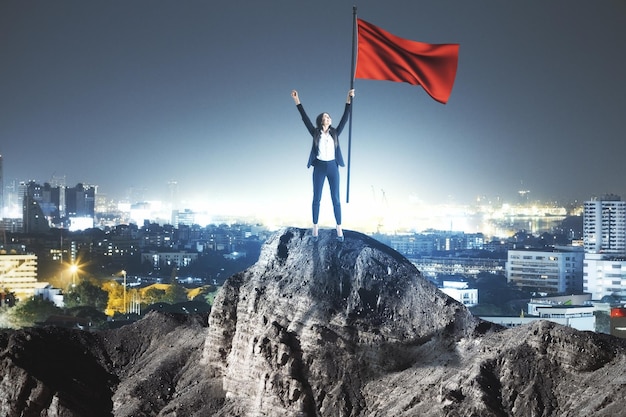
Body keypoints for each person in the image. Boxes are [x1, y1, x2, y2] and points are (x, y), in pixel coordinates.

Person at [291, 88, 355, 242]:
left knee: (336, 198)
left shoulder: (335, 133)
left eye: (329, 117)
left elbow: (345, 118)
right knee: (316, 197)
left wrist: (348, 98)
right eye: (326, 117)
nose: (329, 118)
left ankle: (339, 227)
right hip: (319, 167)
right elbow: (304, 118)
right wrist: (297, 100)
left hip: (333, 167)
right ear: (321, 120)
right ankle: (315, 226)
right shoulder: (315, 133)